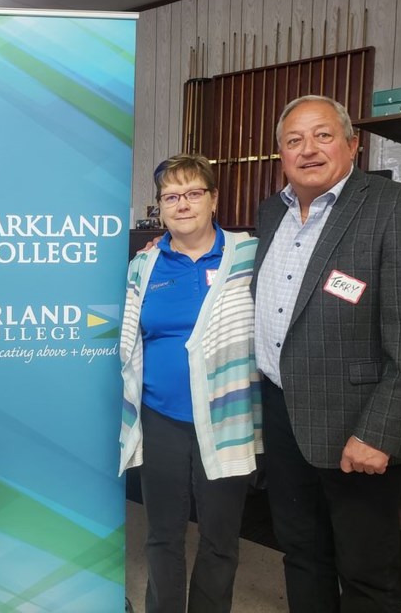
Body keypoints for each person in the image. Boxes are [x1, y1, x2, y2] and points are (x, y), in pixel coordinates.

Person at [252, 95, 401, 612]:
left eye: (323, 135)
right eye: (293, 140)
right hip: (283, 415)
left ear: (352, 143)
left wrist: (378, 433)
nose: (308, 149)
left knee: (366, 574)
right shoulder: (270, 214)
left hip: (359, 427)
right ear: (280, 154)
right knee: (300, 554)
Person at [119, 154, 263, 613]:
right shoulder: (144, 266)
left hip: (227, 419)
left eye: (193, 193)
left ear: (214, 199)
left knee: (220, 539)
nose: (182, 204)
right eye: (171, 196)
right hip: (161, 418)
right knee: (163, 536)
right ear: (160, 207)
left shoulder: (248, 257)